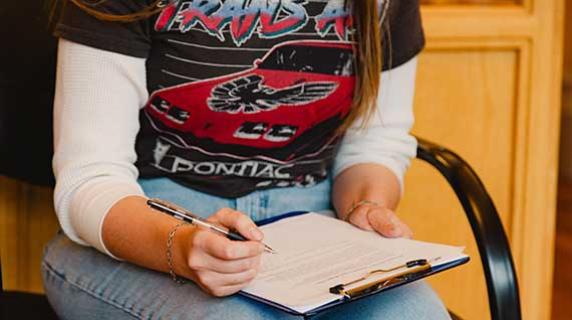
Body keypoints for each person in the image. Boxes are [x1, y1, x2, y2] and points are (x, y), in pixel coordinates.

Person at [41, 0, 452, 319]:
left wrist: (367, 207)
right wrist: (183, 247)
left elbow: (374, 143)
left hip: (313, 228)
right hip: (151, 225)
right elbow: (90, 177)